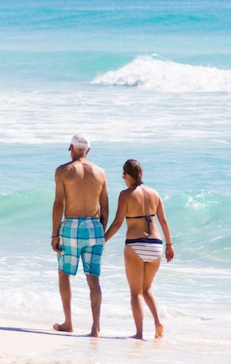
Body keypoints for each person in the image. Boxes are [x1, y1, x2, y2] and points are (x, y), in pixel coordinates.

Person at [105, 159, 174, 340]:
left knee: (135, 292)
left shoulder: (125, 195)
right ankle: (158, 322)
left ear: (125, 176)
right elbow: (164, 221)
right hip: (156, 245)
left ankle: (139, 333)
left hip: (136, 244)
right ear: (141, 174)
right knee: (147, 288)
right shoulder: (154, 193)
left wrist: (103, 240)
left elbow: (118, 223)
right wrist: (169, 245)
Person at [51, 134, 109, 337]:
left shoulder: (63, 171)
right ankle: (96, 328)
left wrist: (54, 235)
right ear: (88, 151)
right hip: (94, 227)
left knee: (63, 273)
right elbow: (105, 207)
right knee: (93, 279)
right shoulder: (100, 172)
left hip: (72, 226)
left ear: (70, 147)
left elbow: (59, 204)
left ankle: (68, 322)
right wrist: (101, 233)